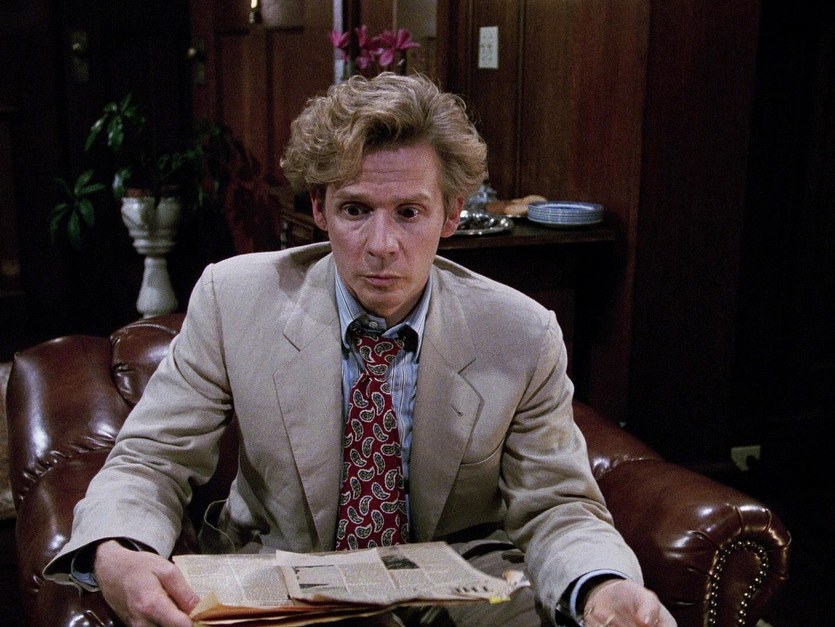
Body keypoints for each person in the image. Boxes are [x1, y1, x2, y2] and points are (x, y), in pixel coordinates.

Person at [44, 72, 675, 627]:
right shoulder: (234, 299)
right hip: (282, 575)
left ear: (452, 214)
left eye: (409, 212)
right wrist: (119, 549)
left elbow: (559, 505)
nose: (381, 245)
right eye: (355, 209)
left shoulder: (521, 332)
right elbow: (152, 458)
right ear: (318, 209)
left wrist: (602, 587)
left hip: (462, 581)